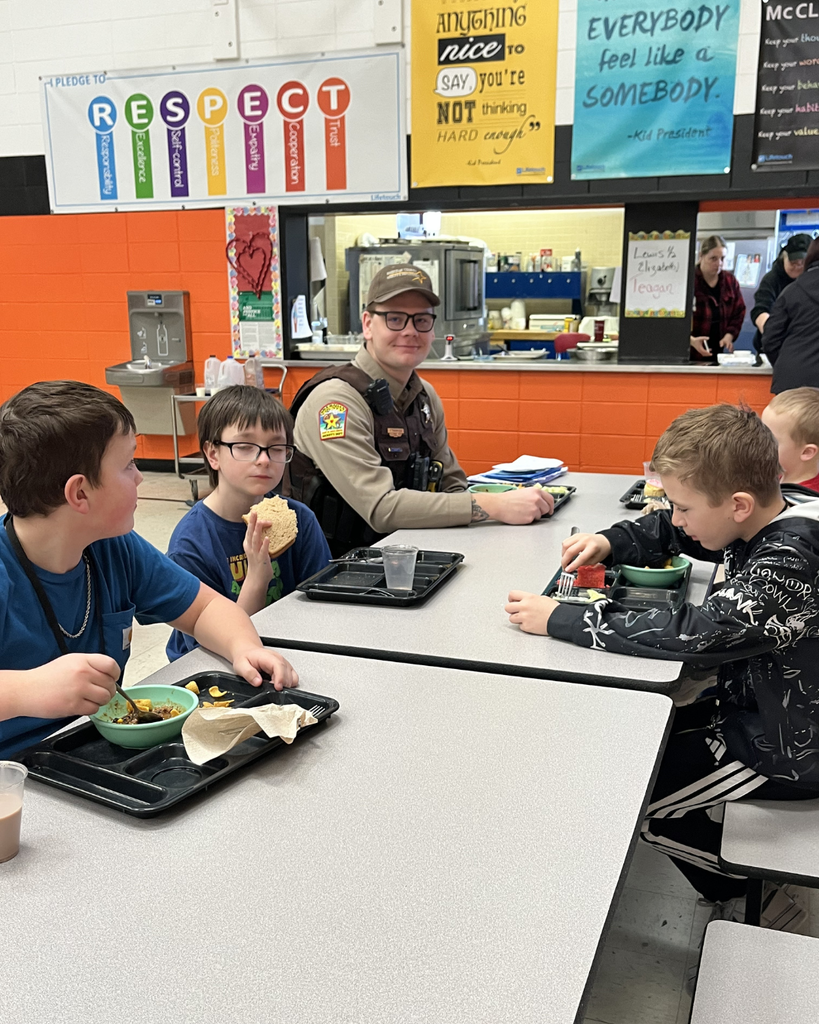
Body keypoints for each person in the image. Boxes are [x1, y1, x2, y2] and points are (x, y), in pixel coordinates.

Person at [505, 404, 819, 913]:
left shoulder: (792, 559)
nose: (676, 519)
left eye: (684, 506)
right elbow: (672, 532)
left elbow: (699, 633)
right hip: (747, 710)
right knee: (628, 752)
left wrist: (560, 618)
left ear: (738, 504)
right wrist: (612, 540)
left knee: (633, 809)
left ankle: (751, 892)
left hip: (780, 751)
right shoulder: (768, 511)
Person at [0, 380, 298, 759]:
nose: (140, 477)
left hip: (93, 751)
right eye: (128, 465)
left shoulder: (113, 547)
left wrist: (245, 648)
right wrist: (25, 691)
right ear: (79, 494)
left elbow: (205, 608)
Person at [283, 263, 553, 557]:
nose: (411, 331)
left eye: (422, 320)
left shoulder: (423, 396)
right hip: (332, 571)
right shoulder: (336, 402)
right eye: (395, 318)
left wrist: (507, 500)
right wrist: (491, 507)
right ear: (367, 324)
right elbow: (381, 508)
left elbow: (452, 484)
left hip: (405, 558)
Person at [165, 385, 331, 661]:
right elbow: (212, 647)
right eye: (245, 447)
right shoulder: (191, 543)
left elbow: (321, 605)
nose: (264, 460)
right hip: (212, 662)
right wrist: (257, 576)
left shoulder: (300, 519)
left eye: (276, 448)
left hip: (288, 649)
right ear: (213, 453)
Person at [762, 237, 819, 394]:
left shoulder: (792, 291)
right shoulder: (778, 282)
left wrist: (786, 362)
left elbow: (770, 339)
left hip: (792, 382)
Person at [749, 233, 812, 366]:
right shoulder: (772, 279)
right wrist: (773, 336)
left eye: (802, 264)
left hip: (805, 350)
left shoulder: (811, 281)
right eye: (793, 263)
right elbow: (760, 311)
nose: (797, 267)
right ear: (784, 257)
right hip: (772, 349)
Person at [690, 235, 746, 365]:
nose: (719, 263)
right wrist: (691, 340)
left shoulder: (729, 281)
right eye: (713, 259)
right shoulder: (689, 281)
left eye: (722, 258)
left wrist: (729, 335)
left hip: (719, 354)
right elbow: (675, 321)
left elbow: (739, 311)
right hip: (690, 353)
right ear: (701, 256)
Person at [761, 388, 819, 493]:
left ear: (807, 452)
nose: (759, 442)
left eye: (770, 439)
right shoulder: (778, 473)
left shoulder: (807, 502)